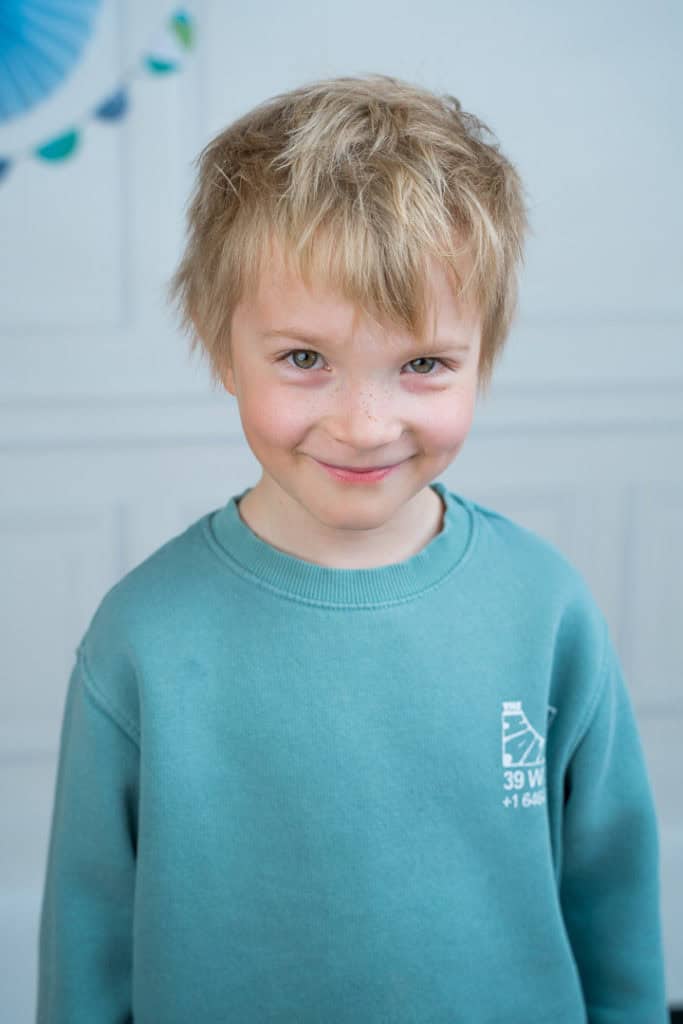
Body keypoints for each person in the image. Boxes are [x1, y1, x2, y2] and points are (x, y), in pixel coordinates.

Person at [36, 73, 668, 1023]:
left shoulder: (546, 610)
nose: (365, 424)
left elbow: (612, 901)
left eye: (422, 364)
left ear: (482, 357)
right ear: (221, 347)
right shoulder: (143, 635)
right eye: (304, 359)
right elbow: (87, 942)